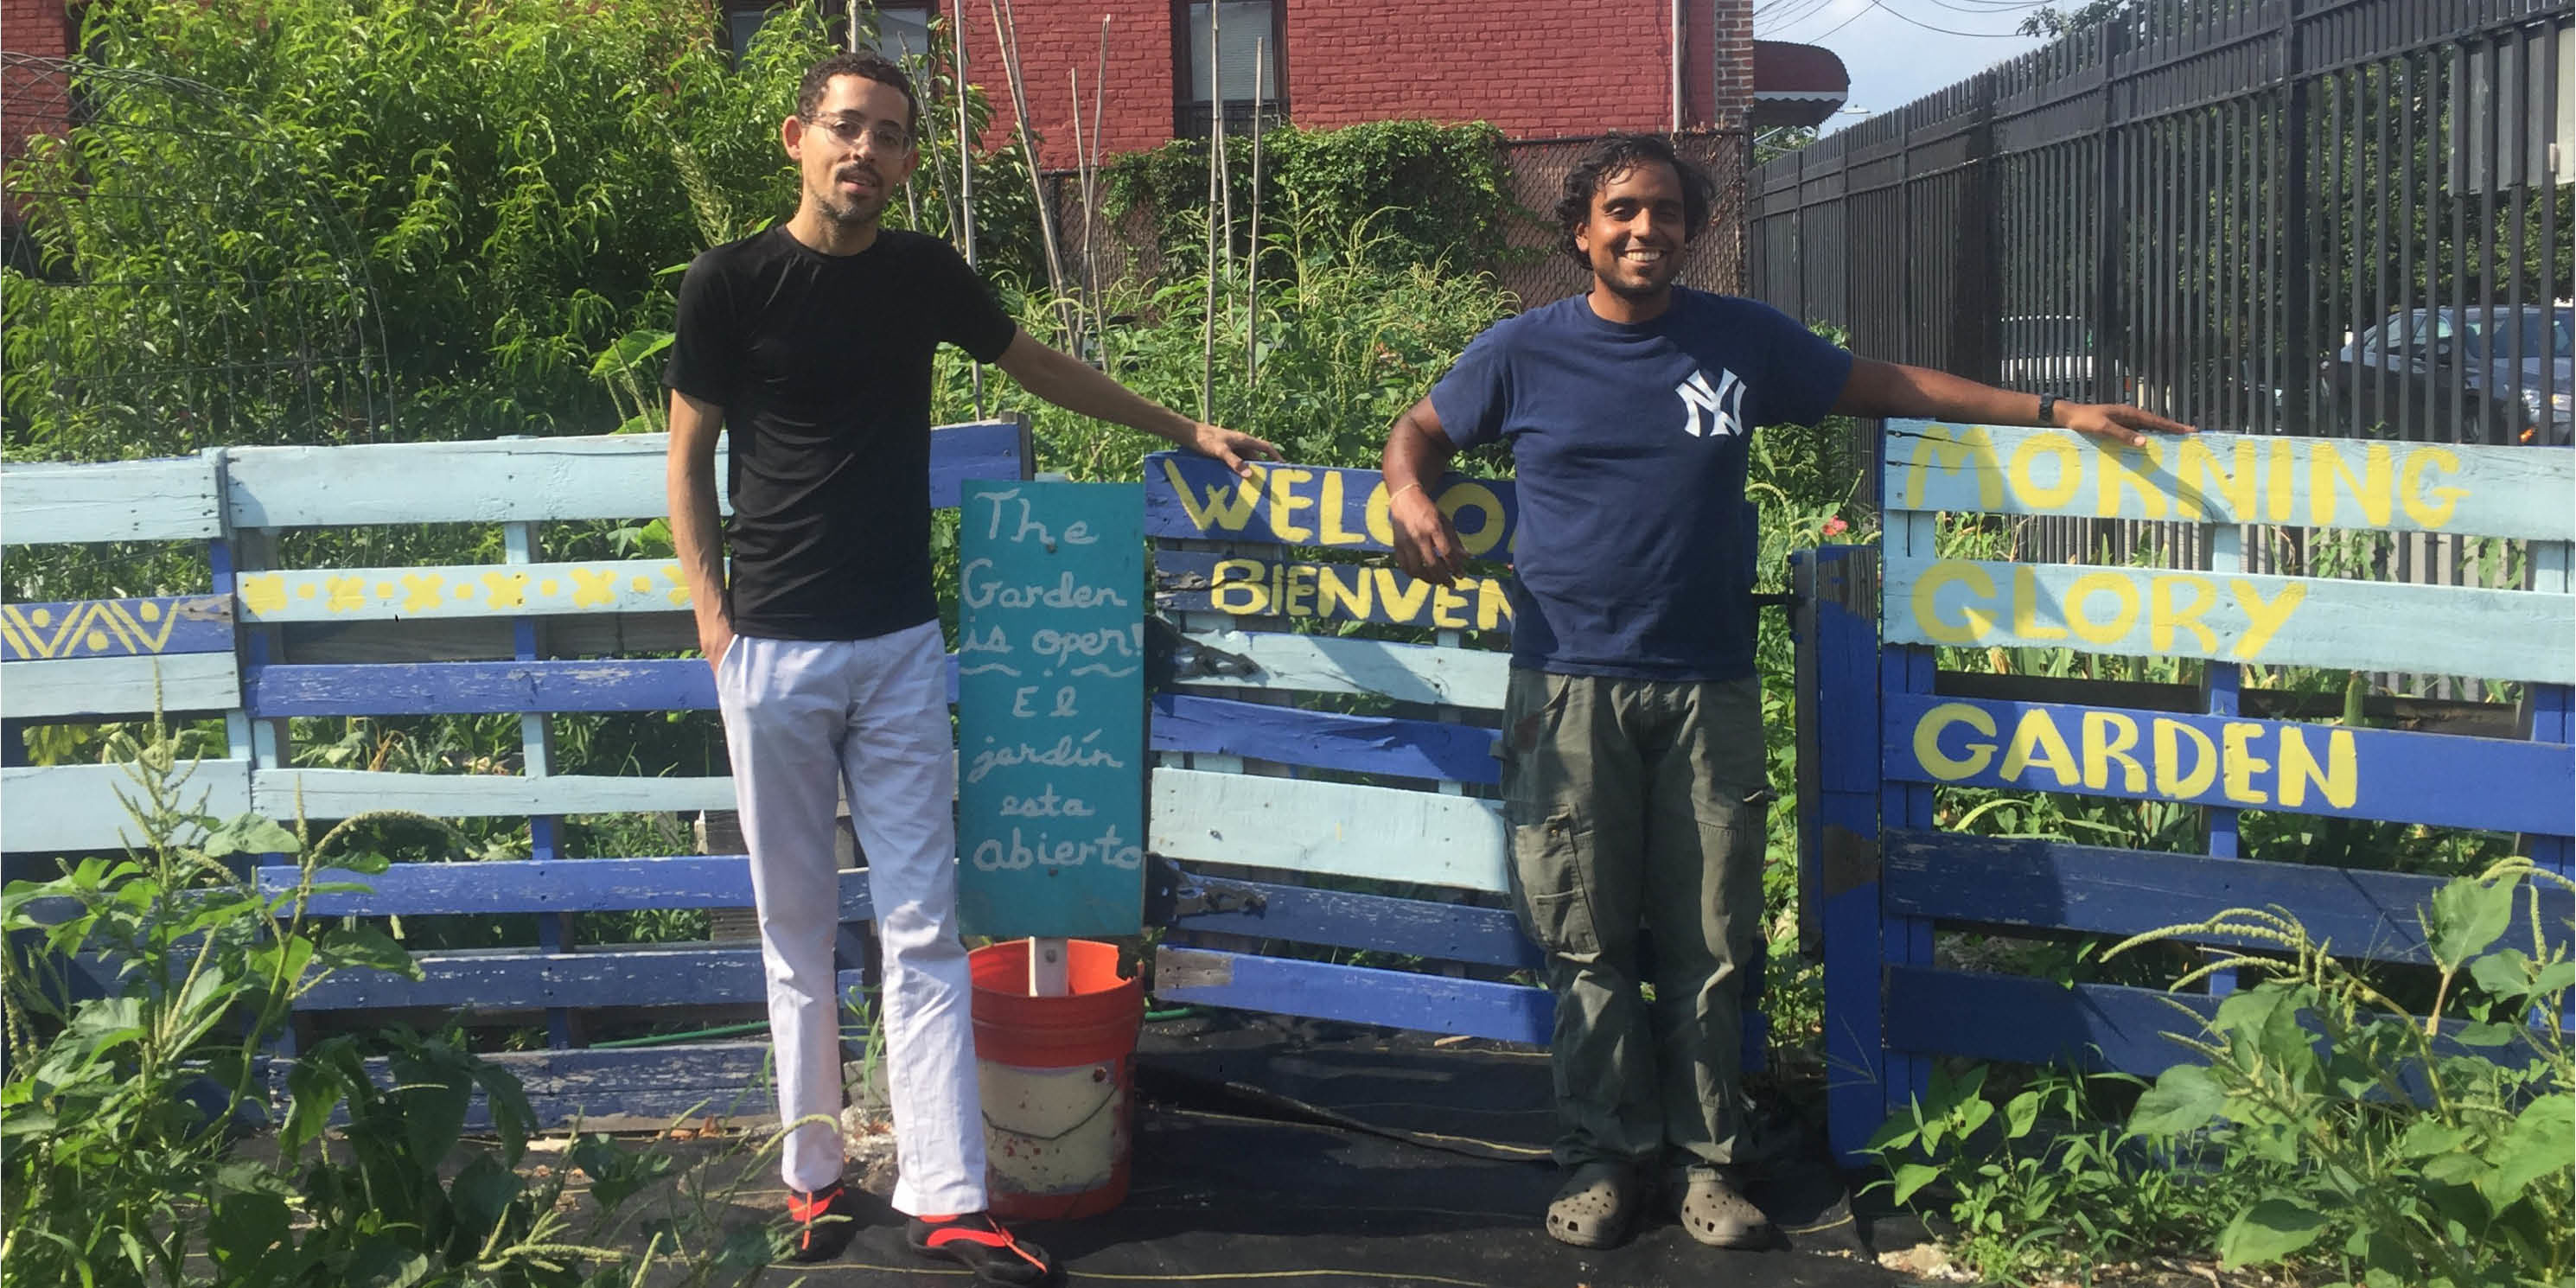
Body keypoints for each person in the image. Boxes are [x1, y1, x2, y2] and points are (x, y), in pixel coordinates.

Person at [1380, 133, 2190, 1253]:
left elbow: (1890, 385)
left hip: (1708, 688)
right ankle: (1604, 1153)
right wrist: (1407, 492)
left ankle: (1712, 1161)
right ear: (1583, 232)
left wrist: (2056, 416)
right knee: (1585, 933)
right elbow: (1418, 429)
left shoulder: (1740, 343)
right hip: (1566, 688)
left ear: (1690, 227)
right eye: (1621, 211)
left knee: (1714, 937)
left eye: (1664, 211)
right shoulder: (1524, 352)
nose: (1643, 229)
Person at [664, 51, 1278, 1278]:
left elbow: (1038, 363)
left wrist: (1182, 427)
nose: (867, 153)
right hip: (772, 648)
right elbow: (689, 457)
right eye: (847, 129)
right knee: (794, 930)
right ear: (798, 137)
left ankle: (941, 1190)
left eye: (890, 136)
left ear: (903, 157)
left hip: (896, 646)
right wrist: (711, 617)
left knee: (924, 927)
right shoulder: (730, 283)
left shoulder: (921, 276)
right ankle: (812, 1175)